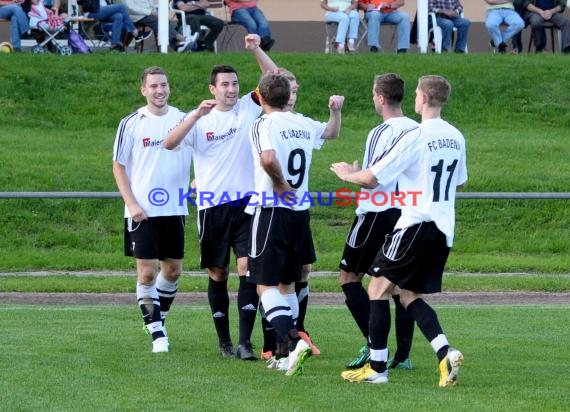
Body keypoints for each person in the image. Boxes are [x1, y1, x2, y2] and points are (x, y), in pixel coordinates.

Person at [332, 74, 467, 387]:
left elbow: (372, 179)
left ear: (421, 98)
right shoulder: (456, 136)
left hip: (415, 223)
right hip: (443, 228)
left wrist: (347, 174)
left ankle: (377, 368)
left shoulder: (417, 135)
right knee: (409, 295)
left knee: (376, 289)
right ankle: (445, 352)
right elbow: (459, 180)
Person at [163, 34, 278, 361]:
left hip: (246, 204)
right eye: (225, 84)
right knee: (218, 273)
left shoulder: (247, 108)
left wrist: (255, 49)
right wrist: (195, 117)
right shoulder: (199, 117)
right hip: (212, 207)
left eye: (235, 83)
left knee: (247, 270)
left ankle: (244, 342)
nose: (232, 89)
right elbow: (169, 143)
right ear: (212, 88)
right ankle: (224, 340)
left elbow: (275, 77)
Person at [247, 73, 344, 376]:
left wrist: (280, 183)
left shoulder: (264, 124)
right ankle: (282, 353)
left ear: (261, 99)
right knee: (287, 284)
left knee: (264, 284)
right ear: (287, 95)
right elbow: (331, 132)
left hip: (272, 209)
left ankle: (292, 338)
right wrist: (335, 110)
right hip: (299, 212)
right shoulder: (302, 122)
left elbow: (267, 159)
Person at [340, 73, 418, 371]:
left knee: (349, 279)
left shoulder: (380, 131)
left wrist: (350, 172)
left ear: (381, 98)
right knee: (396, 285)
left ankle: (374, 346)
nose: (373, 99)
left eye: (374, 94)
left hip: (375, 212)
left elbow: (372, 180)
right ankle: (403, 355)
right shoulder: (416, 129)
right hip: (406, 213)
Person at [112, 66, 191, 353]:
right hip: (141, 211)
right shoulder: (131, 123)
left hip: (174, 207)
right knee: (147, 273)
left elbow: (203, 153)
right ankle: (158, 334)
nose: (160, 91)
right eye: (154, 86)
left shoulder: (183, 119)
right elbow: (118, 166)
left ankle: (156, 317)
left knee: (172, 271)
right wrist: (131, 203)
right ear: (143, 90)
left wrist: (198, 180)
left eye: (164, 85)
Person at [121, 0, 193, 52]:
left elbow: (151, 5)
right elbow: (130, 7)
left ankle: (178, 45)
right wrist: (150, 12)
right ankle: (181, 39)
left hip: (147, 14)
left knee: (163, 19)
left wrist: (156, 12)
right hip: (134, 16)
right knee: (158, 21)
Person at [78, 0, 149, 52]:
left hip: (101, 11)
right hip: (93, 12)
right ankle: (135, 32)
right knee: (121, 6)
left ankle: (114, 44)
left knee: (119, 16)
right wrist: (81, 11)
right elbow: (79, 2)